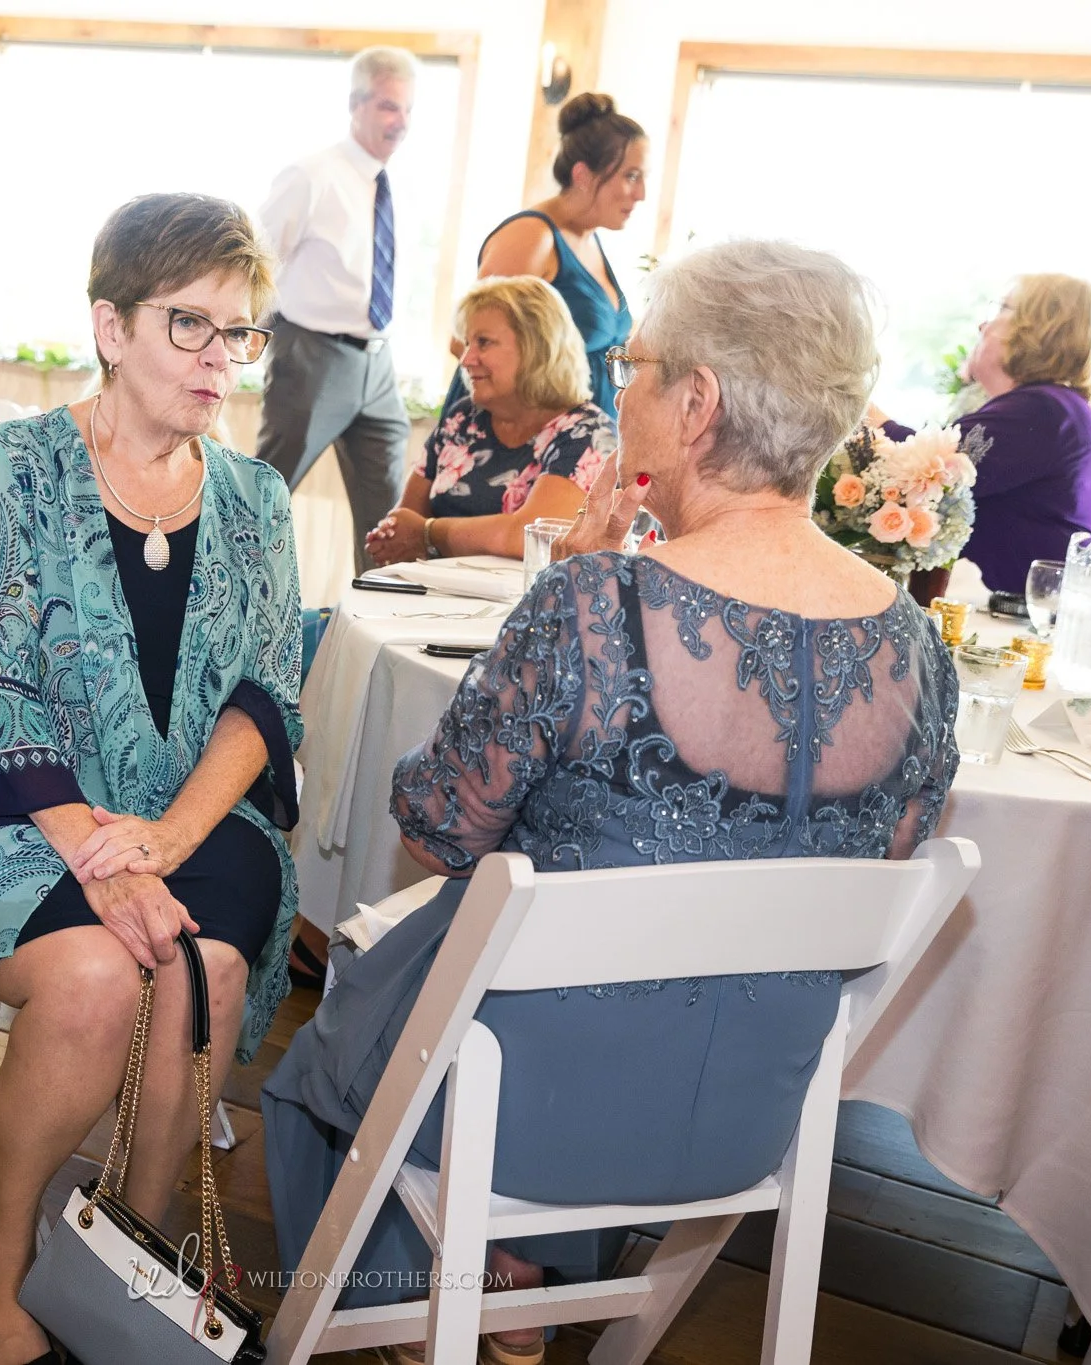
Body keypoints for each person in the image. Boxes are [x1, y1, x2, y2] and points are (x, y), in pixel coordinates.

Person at [263, 239, 961, 1365]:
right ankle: (511, 1284)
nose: (615, 389)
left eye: (631, 367)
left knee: (325, 1062)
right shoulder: (919, 649)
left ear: (696, 405)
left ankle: (412, 1310)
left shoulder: (594, 605)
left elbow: (435, 824)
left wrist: (550, 598)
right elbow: (880, 861)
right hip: (746, 1118)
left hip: (524, 1111)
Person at [0, 193, 303, 1365]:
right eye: (190, 324)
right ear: (110, 326)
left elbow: (265, 700)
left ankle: (126, 1247)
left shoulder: (256, 499)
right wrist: (96, 851)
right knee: (90, 980)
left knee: (206, 967)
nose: (220, 358)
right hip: (14, 809)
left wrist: (167, 840)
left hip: (193, 815)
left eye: (239, 332)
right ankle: (5, 1250)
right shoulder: (17, 467)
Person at [257, 46, 419, 572]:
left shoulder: (394, 185)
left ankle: (374, 612)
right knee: (263, 496)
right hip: (311, 355)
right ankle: (219, 598)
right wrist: (244, 343)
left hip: (378, 361)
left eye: (408, 110)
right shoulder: (311, 175)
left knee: (387, 523)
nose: (401, 122)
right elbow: (254, 265)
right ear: (356, 105)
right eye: (390, 107)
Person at [872, 274, 1091, 595]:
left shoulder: (1045, 409)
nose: (982, 326)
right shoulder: (1054, 407)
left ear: (1041, 328)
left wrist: (857, 411)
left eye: (1002, 309)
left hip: (1024, 613)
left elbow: (932, 470)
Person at [364, 275, 614, 566]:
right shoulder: (463, 418)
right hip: (434, 587)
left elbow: (531, 537)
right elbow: (404, 524)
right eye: (467, 342)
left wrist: (429, 534)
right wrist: (398, 536)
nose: (466, 359)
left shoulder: (589, 433)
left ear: (536, 347)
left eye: (483, 343)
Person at [440, 93, 646, 422]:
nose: (641, 194)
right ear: (583, 175)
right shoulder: (533, 237)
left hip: (585, 438)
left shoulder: (588, 239)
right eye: (631, 176)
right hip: (522, 439)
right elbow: (465, 342)